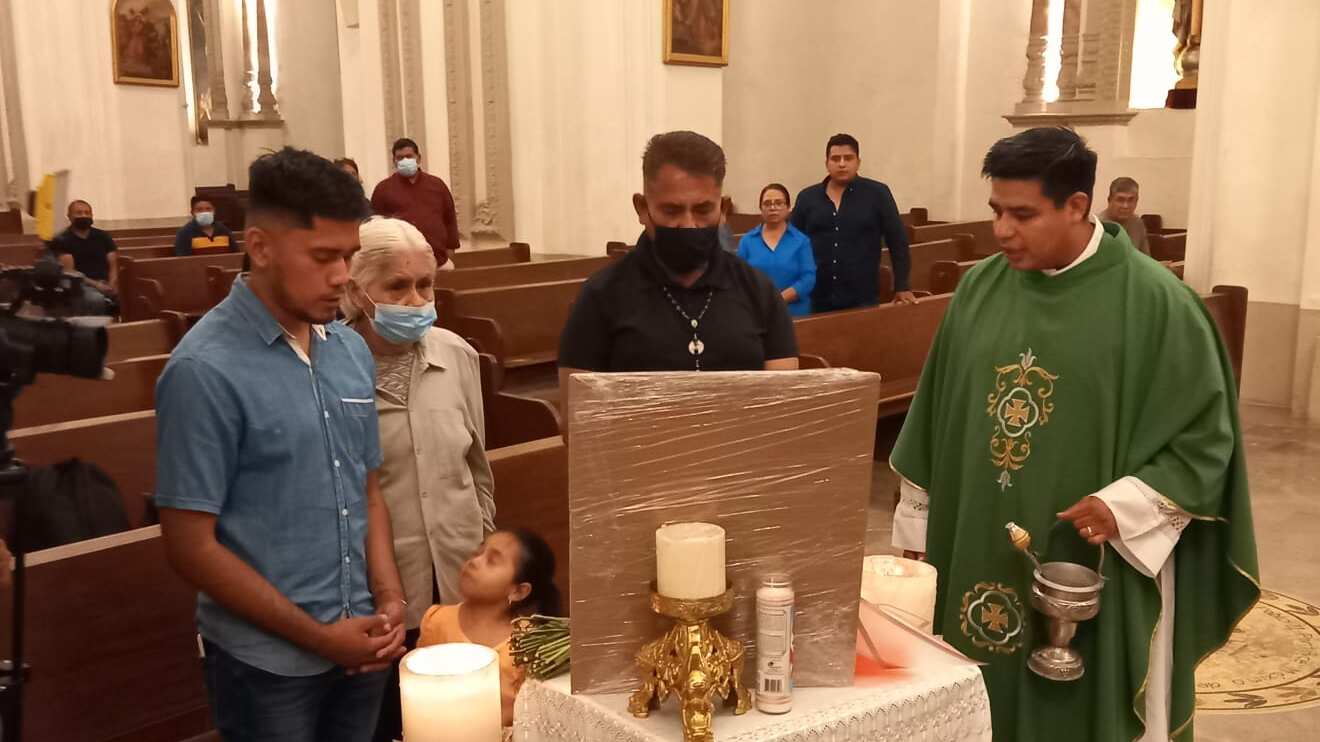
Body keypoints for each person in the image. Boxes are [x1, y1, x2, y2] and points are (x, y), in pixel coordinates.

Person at [889, 127, 1258, 742]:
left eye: (1022, 214)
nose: (1001, 231)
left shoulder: (1157, 303)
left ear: (1077, 206)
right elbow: (934, 417)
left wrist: (1124, 507)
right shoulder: (978, 290)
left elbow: (1205, 441)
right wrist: (916, 530)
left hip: (1092, 563)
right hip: (975, 542)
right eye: (996, 212)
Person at [155, 147, 406, 742]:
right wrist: (320, 638)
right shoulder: (204, 370)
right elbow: (190, 545)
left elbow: (368, 491)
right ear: (261, 247)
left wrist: (392, 601)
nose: (342, 276)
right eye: (322, 257)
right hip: (268, 666)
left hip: (363, 638)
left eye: (348, 256)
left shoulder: (347, 350)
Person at [341, 217, 495, 742]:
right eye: (397, 286)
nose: (415, 300)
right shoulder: (331, 365)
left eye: (424, 284)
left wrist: (484, 550)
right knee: (389, 719)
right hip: (381, 587)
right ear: (357, 292)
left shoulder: (457, 355)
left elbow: (477, 467)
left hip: (458, 574)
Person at [557, 131, 799, 406]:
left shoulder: (759, 292)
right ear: (642, 207)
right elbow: (576, 421)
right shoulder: (601, 296)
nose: (688, 225)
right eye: (672, 211)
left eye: (702, 210)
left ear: (723, 208)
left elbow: (783, 408)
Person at [418, 529, 561, 729]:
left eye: (492, 561)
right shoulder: (437, 621)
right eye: (477, 553)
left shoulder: (528, 642)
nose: (474, 562)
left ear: (518, 591)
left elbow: (529, 717)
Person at [791, 134, 915, 310]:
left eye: (848, 158)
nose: (842, 164)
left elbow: (898, 241)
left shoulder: (877, 194)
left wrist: (902, 286)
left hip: (862, 297)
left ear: (858, 162)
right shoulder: (807, 197)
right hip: (816, 296)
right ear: (827, 163)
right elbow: (793, 243)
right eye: (835, 159)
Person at [370, 138, 460, 269]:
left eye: (409, 156)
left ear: (418, 158)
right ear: (393, 161)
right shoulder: (383, 189)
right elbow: (376, 226)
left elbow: (450, 218)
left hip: (439, 260)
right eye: (399, 158)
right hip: (401, 264)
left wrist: (451, 248)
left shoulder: (437, 185)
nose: (404, 160)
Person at [737, 183, 815, 316]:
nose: (773, 207)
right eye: (767, 204)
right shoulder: (747, 241)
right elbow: (739, 278)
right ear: (761, 208)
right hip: (757, 313)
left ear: (788, 207)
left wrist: (778, 300)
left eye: (779, 203)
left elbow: (808, 278)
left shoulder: (801, 241)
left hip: (795, 314)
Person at [49, 200, 118, 294]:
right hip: (80, 284)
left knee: (128, 297)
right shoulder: (61, 240)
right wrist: (97, 285)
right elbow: (70, 271)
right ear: (69, 216)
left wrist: (111, 284)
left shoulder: (103, 236)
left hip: (106, 283)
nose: (84, 216)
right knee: (96, 300)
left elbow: (113, 265)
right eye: (79, 213)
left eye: (87, 213)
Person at [1098, 176, 1152, 256]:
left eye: (1130, 200)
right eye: (1120, 200)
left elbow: (1146, 258)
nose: (1125, 206)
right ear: (1109, 200)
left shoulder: (1137, 223)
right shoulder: (1097, 225)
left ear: (1136, 201)